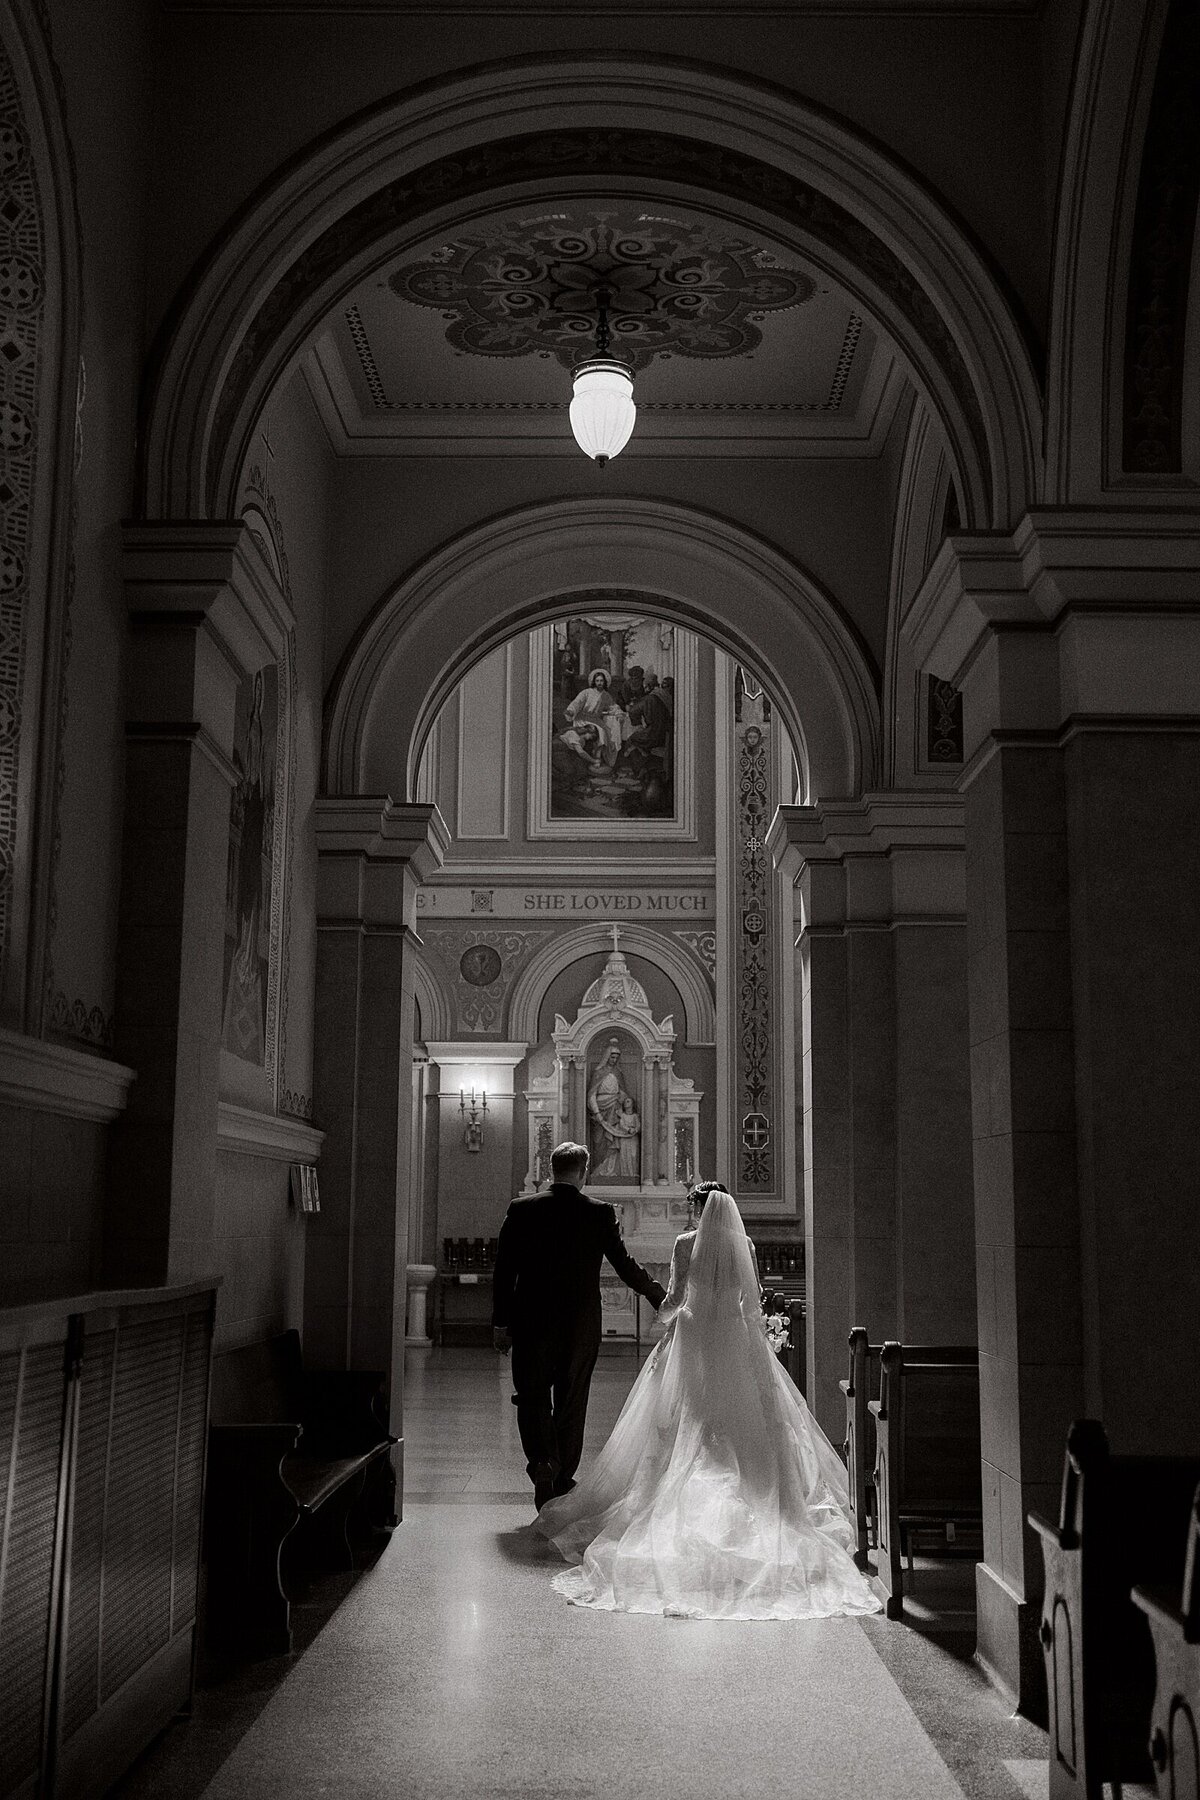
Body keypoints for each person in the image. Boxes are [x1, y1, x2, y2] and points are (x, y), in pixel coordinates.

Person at [535, 1180, 882, 1622]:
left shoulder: (685, 1243)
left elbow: (677, 1298)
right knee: (746, 1425)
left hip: (695, 1341)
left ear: (700, 1208)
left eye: (692, 1206)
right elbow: (750, 1304)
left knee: (685, 1421)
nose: (692, 1213)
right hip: (734, 1339)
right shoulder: (745, 1245)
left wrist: (666, 1321)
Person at [492, 1142, 667, 1512]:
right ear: (584, 1172)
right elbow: (623, 1264)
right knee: (572, 1400)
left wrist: (500, 1323)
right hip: (579, 1325)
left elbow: (504, 1270)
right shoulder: (598, 1213)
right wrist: (657, 1294)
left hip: (531, 1322)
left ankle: (541, 1461)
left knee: (531, 1397)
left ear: (551, 1170)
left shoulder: (522, 1209)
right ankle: (562, 1475)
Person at [586, 1039, 629, 1175]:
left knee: (614, 1141)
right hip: (600, 1110)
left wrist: (622, 1097)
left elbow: (623, 1092)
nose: (614, 1060)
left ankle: (611, 1170)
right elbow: (591, 1094)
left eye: (616, 1057)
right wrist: (597, 1112)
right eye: (612, 1057)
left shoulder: (618, 1073)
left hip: (614, 1110)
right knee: (599, 1141)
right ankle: (598, 1169)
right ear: (607, 1056)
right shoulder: (599, 1072)